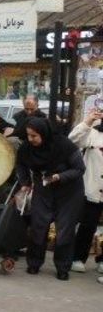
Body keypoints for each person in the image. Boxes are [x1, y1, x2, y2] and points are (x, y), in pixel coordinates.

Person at [17, 118, 85, 280]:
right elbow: (20, 164)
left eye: (34, 136)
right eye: (28, 135)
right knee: (38, 226)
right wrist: (25, 182)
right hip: (44, 188)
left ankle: (62, 267)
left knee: (64, 230)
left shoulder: (64, 145)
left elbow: (79, 169)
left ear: (44, 133)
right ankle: (34, 263)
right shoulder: (27, 148)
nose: (31, 139)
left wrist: (60, 176)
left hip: (69, 192)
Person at [69, 109, 103, 275]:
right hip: (92, 187)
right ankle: (78, 257)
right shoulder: (93, 134)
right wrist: (88, 121)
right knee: (87, 225)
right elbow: (73, 140)